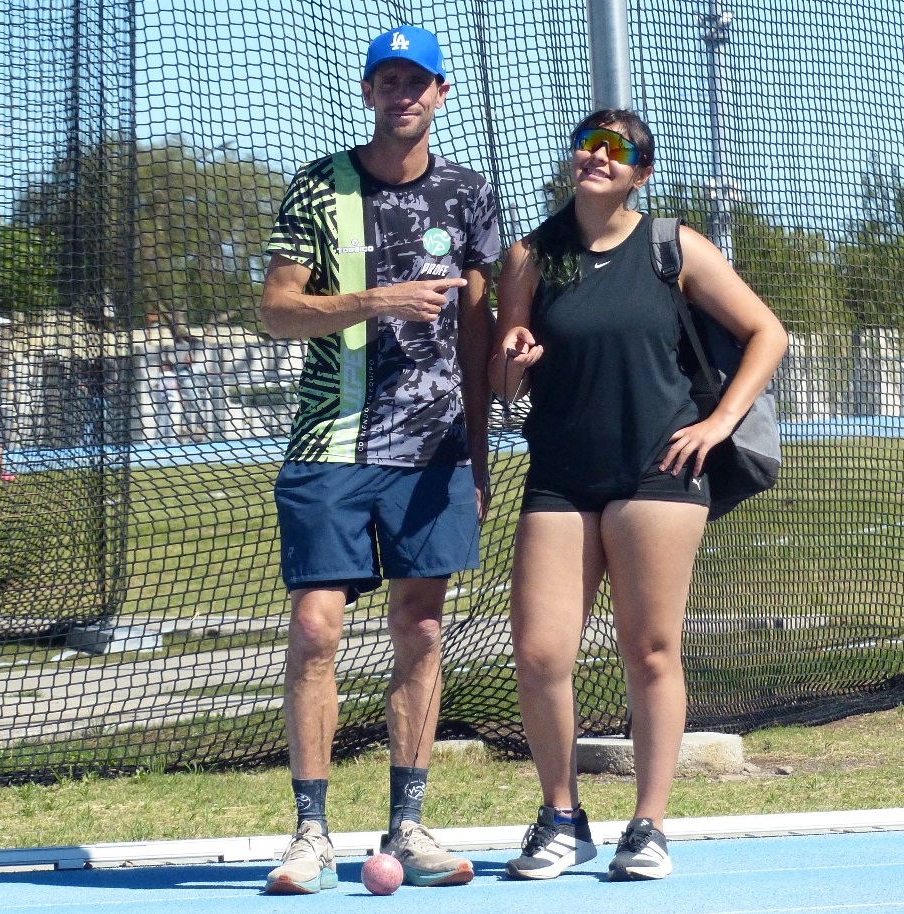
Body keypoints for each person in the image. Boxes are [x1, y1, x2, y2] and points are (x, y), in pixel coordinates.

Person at [489, 109, 788, 882]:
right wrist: (513, 361)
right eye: (587, 144)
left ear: (640, 173)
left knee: (650, 651)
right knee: (540, 653)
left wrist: (719, 423)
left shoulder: (673, 247)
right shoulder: (530, 256)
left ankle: (648, 824)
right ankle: (562, 819)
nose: (597, 156)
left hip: (659, 474)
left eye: (615, 149)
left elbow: (768, 333)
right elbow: (504, 382)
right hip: (560, 474)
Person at [259, 24, 499, 896]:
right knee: (315, 628)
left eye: (417, 81)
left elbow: (476, 333)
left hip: (434, 452)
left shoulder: (469, 194)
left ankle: (410, 823)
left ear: (440, 94)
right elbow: (276, 311)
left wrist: (478, 451)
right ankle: (310, 834)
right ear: (368, 92)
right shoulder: (319, 186)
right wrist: (374, 300)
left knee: (423, 628)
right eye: (387, 80)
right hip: (330, 444)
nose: (403, 94)